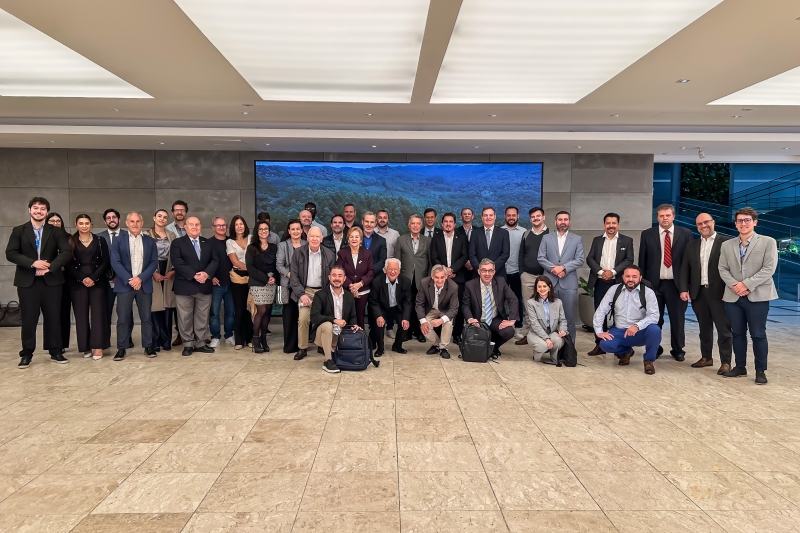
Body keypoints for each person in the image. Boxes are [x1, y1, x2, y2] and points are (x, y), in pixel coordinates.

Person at [5, 197, 71, 368]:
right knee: (29, 319)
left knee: (53, 318)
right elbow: (10, 253)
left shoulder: (55, 231)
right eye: (35, 208)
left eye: (42, 209)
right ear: (29, 210)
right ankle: (26, 354)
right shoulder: (19, 230)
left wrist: (50, 267)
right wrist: (33, 263)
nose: (39, 211)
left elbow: (65, 252)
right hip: (28, 282)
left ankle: (55, 351)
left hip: (51, 281)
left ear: (47, 212)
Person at [718, 207, 778, 385]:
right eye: (740, 221)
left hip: (757, 295)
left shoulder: (768, 242)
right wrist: (736, 286)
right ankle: (740, 367)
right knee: (737, 334)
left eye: (747, 220)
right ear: (735, 224)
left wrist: (746, 284)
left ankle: (760, 371)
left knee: (758, 334)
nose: (743, 223)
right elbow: (722, 268)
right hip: (733, 296)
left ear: (755, 222)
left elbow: (769, 268)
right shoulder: (727, 245)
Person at [679, 213, 733, 374]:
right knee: (704, 328)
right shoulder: (692, 245)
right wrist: (683, 289)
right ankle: (706, 357)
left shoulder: (726, 243)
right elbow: (684, 269)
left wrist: (729, 290)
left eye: (706, 222)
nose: (703, 226)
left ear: (713, 222)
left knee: (724, 329)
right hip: (698, 293)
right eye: (699, 224)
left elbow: (733, 269)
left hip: (720, 293)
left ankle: (725, 362)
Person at [638, 204, 692, 361]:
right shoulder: (647, 234)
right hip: (654, 285)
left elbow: (689, 263)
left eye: (668, 215)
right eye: (661, 216)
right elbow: (643, 260)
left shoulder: (685, 234)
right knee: (655, 319)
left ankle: (678, 349)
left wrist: (687, 285)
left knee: (677, 319)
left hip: (677, 286)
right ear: (657, 217)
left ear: (673, 216)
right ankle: (656, 347)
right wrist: (643, 285)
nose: (665, 218)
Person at [594, 266, 661, 375]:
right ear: (623, 277)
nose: (631, 279)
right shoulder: (614, 290)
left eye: (634, 276)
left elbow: (654, 316)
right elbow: (601, 310)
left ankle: (648, 361)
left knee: (655, 330)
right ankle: (626, 352)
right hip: (620, 331)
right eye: (628, 276)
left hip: (640, 332)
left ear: (640, 278)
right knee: (605, 345)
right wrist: (599, 331)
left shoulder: (648, 293)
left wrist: (637, 326)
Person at [110, 212, 159, 361]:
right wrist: (130, 279)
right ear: (127, 223)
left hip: (144, 285)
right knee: (123, 318)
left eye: (138, 221)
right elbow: (115, 263)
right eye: (132, 221)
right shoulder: (118, 241)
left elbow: (153, 262)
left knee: (146, 318)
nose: (135, 224)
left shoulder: (150, 241)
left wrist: (140, 279)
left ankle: (148, 346)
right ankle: (121, 348)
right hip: (125, 285)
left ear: (142, 222)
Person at [585, 213, 634, 355]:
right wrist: (601, 272)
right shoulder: (597, 240)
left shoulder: (627, 241)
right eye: (608, 223)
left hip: (618, 283)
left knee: (620, 314)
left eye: (613, 223)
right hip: (600, 282)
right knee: (600, 313)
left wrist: (612, 272)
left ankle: (623, 346)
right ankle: (600, 344)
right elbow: (590, 259)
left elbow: (629, 260)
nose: (611, 226)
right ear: (604, 225)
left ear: (618, 225)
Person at [170, 216, 218, 356]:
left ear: (201, 226)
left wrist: (206, 274)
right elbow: (177, 262)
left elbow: (214, 260)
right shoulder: (177, 243)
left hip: (204, 286)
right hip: (185, 286)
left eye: (197, 224)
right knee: (185, 318)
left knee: (202, 317)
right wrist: (194, 275)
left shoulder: (207, 243)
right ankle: (188, 344)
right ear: (185, 226)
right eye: (191, 224)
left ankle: (201, 343)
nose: (195, 227)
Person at [67, 214, 110, 360]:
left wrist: (93, 278)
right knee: (81, 315)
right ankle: (85, 347)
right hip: (77, 282)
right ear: (76, 224)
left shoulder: (100, 240)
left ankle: (98, 347)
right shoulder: (70, 241)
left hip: (97, 281)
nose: (84, 226)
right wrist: (82, 278)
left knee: (98, 314)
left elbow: (105, 261)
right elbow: (67, 264)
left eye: (87, 223)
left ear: (91, 225)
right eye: (81, 223)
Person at [290, 227, 336, 360]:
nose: (315, 239)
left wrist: (327, 294)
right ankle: (302, 348)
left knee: (324, 318)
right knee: (304, 318)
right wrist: (301, 294)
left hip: (323, 291)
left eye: (317, 236)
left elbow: (332, 277)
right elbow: (294, 277)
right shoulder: (298, 253)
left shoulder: (330, 254)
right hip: (306, 291)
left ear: (322, 238)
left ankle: (322, 345)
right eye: (312, 236)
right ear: (307, 238)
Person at [537, 211, 584, 341]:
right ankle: (550, 346)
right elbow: (541, 258)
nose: (562, 222)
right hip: (549, 283)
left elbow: (580, 259)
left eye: (565, 219)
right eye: (560, 219)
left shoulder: (577, 239)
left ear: (569, 222)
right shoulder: (547, 238)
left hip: (568, 283)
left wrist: (564, 268)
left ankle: (569, 349)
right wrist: (554, 270)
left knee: (568, 318)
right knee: (547, 317)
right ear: (555, 222)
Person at [463, 259, 519, 358]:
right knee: (473, 338)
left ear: (494, 272)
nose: (487, 274)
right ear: (479, 271)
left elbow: (513, 299)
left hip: (494, 319)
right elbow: (465, 305)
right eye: (484, 270)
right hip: (477, 321)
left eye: (490, 270)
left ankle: (492, 347)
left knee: (509, 331)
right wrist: (470, 319)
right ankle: (487, 347)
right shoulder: (470, 285)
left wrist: (512, 320)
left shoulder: (501, 282)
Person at [310, 266, 361, 374]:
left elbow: (352, 316)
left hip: (340, 336)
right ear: (329, 277)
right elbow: (314, 317)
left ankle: (335, 351)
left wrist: (354, 325)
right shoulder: (320, 295)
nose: (337, 278)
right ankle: (327, 361)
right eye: (334, 275)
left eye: (340, 276)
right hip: (323, 333)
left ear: (344, 279)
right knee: (328, 325)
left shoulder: (349, 296)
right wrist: (334, 320)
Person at [430, 212, 469, 343]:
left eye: (450, 221)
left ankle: (456, 334)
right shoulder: (436, 238)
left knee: (456, 307)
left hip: (457, 276)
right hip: (440, 279)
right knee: (439, 306)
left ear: (454, 223)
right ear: (442, 224)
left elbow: (464, 256)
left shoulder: (462, 237)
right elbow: (433, 257)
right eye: (445, 221)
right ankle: (439, 335)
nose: (448, 224)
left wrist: (452, 270)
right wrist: (444, 271)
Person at [515, 207, 549, 345]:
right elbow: (521, 254)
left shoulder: (550, 234)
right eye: (533, 217)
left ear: (543, 217)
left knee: (544, 307)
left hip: (544, 277)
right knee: (529, 306)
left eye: (538, 216)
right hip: (527, 276)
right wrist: (522, 272)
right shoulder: (526, 234)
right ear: (530, 219)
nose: (536, 218)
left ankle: (543, 335)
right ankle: (528, 334)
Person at [396, 214, 431, 343]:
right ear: (409, 225)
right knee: (406, 306)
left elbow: (430, 261)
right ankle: (407, 332)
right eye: (413, 223)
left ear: (421, 226)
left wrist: (429, 278)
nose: (415, 226)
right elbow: (397, 260)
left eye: (418, 224)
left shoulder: (427, 241)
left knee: (420, 306)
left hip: (422, 279)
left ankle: (420, 332)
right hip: (405, 278)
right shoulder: (401, 240)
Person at [146, 209, 176, 353]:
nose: (162, 219)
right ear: (154, 218)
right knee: (155, 307)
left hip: (168, 270)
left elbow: (177, 255)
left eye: (165, 217)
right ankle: (155, 341)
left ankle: (166, 340)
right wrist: (153, 273)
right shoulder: (146, 235)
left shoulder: (172, 235)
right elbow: (143, 256)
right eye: (159, 216)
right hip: (153, 270)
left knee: (168, 307)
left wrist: (173, 271)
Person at [98, 208, 129, 349]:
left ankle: (126, 339)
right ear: (105, 221)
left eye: (114, 217)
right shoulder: (98, 237)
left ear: (119, 220)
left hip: (124, 280)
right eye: (108, 218)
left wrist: (120, 276)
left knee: (125, 311)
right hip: (105, 281)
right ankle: (105, 340)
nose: (112, 219)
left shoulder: (128, 235)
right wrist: (109, 277)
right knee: (105, 311)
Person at [246, 220, 278, 353]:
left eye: (266, 229)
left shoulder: (273, 247)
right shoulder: (252, 247)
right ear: (257, 231)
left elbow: (278, 264)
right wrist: (265, 278)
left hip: (271, 283)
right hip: (258, 283)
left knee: (267, 311)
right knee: (261, 311)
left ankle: (264, 339)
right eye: (261, 229)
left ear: (269, 231)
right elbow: (250, 267)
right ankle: (255, 339)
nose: (263, 231)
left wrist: (274, 277)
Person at [369, 258, 412, 356]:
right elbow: (373, 301)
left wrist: (405, 318)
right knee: (379, 323)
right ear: (385, 269)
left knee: (405, 324)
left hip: (397, 308)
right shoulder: (376, 281)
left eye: (395, 269)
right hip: (382, 308)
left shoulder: (406, 281)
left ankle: (397, 346)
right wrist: (379, 315)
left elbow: (407, 302)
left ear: (399, 270)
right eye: (390, 269)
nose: (393, 272)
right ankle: (380, 348)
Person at [415, 264, 459, 359]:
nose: (439, 280)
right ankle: (436, 344)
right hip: (431, 309)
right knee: (424, 326)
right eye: (436, 277)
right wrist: (423, 321)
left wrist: (441, 320)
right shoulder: (424, 283)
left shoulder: (453, 287)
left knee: (448, 323)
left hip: (445, 310)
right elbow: (419, 304)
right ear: (432, 276)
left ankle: (444, 348)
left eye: (442, 277)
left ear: (446, 276)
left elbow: (454, 309)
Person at [335, 226, 374, 329]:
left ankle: (360, 340)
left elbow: (371, 272)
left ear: (361, 239)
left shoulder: (367, 253)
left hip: (363, 291)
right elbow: (339, 272)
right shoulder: (342, 253)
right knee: (347, 317)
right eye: (351, 237)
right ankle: (347, 340)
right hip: (347, 291)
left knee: (360, 318)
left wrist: (360, 284)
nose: (354, 239)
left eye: (357, 237)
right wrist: (351, 286)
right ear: (348, 239)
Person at [44, 212, 72, 354]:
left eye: (58, 221)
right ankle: (53, 344)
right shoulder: (43, 238)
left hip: (67, 278)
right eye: (52, 221)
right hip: (49, 279)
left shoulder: (69, 239)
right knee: (52, 313)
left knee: (64, 313)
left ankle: (62, 344)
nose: (55, 223)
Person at [277, 219, 306, 353]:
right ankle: (289, 346)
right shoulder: (283, 245)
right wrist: (290, 275)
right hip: (287, 286)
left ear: (302, 230)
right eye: (292, 229)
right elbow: (279, 265)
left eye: (297, 229)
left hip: (303, 287)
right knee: (288, 316)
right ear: (288, 231)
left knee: (302, 317)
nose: (295, 231)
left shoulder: (306, 244)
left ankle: (302, 345)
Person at [526, 276, 568, 363]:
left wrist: (562, 330)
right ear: (536, 289)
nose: (542, 289)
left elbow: (563, 320)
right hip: (535, 333)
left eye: (544, 286)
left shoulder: (558, 302)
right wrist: (546, 339)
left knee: (558, 340)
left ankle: (554, 358)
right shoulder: (531, 303)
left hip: (551, 331)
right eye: (539, 287)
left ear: (549, 287)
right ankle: (536, 357)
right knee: (543, 346)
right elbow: (534, 324)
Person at [226, 215, 254, 350]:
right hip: (237, 277)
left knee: (250, 309)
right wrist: (252, 268)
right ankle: (239, 339)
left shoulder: (252, 238)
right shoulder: (230, 242)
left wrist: (254, 271)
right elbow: (235, 261)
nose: (239, 226)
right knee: (239, 309)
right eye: (236, 224)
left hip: (253, 278)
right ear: (233, 227)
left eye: (241, 224)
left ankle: (249, 338)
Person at [209, 216, 235, 348]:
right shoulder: (208, 243)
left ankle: (229, 335)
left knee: (230, 312)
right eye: (218, 225)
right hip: (216, 284)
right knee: (214, 313)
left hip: (232, 283)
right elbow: (204, 263)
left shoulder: (232, 242)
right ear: (213, 227)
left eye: (224, 225)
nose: (221, 227)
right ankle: (215, 337)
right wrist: (210, 276)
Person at [501, 206, 527, 330]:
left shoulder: (524, 232)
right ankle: (500, 323)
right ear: (505, 216)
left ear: (518, 216)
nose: (511, 217)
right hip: (501, 271)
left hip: (517, 271)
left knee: (517, 299)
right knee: (499, 298)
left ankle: (518, 324)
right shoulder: (499, 231)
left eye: (513, 215)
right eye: (509, 215)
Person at [469, 206, 510, 277]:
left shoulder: (504, 233)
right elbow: (472, 254)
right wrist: (481, 269)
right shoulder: (475, 233)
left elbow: (505, 254)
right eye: (485, 215)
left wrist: (492, 269)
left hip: (498, 273)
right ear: (482, 217)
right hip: (479, 274)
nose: (488, 217)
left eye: (491, 215)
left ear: (495, 217)